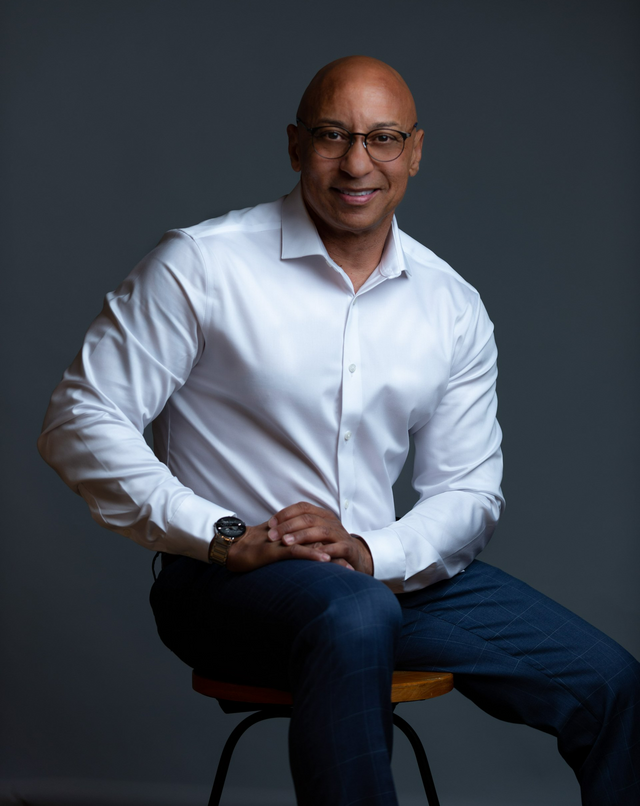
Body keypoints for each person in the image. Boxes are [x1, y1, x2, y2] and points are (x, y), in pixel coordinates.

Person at [38, 56, 639, 805]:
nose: (358, 162)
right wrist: (225, 535)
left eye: (383, 138)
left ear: (415, 151)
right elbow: (80, 419)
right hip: (229, 582)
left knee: (615, 685)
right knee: (355, 614)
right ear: (295, 147)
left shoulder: (450, 304)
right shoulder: (203, 265)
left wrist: (368, 550)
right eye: (333, 135)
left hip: (385, 575)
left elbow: (469, 490)